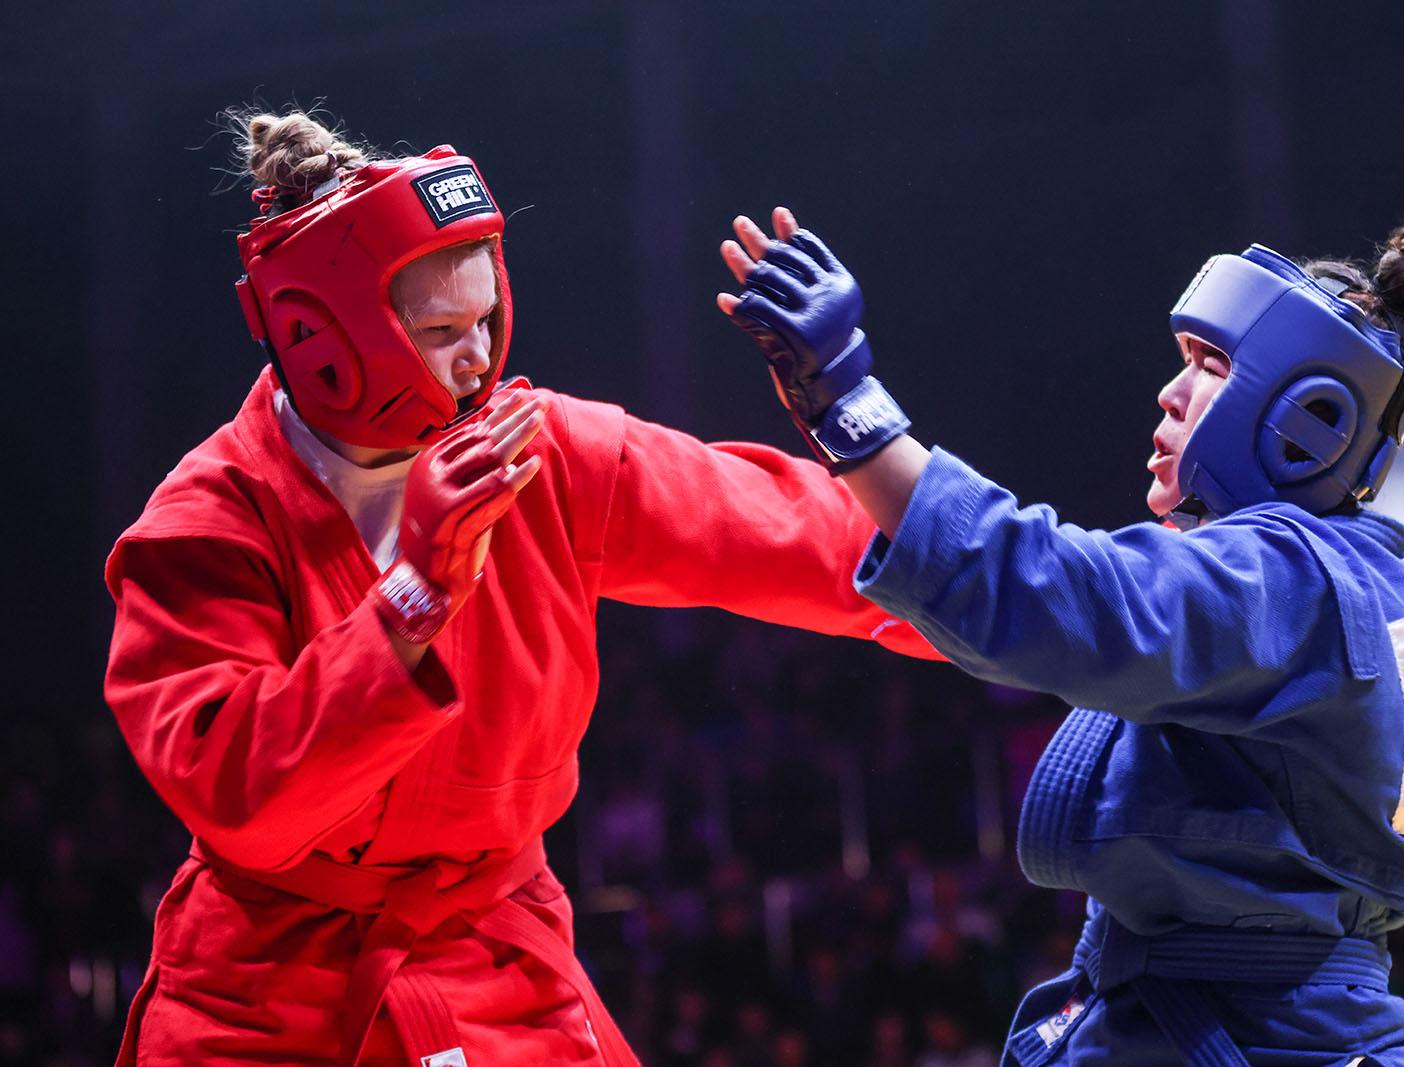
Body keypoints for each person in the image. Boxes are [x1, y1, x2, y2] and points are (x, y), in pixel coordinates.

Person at [102, 112, 938, 1067]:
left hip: (499, 965)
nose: (476, 357)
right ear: (319, 332)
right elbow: (244, 800)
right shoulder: (206, 526)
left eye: (486, 318)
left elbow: (812, 541)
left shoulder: (544, 452)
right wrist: (413, 596)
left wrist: (1038, 606)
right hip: (261, 996)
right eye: (440, 330)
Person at [720, 209, 1404, 1064]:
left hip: (1263, 1033)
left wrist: (848, 402)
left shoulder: (1293, 579)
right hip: (1253, 1019)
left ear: (1308, 420)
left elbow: (1063, 591)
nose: (1171, 391)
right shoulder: (1346, 578)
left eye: (1211, 366)